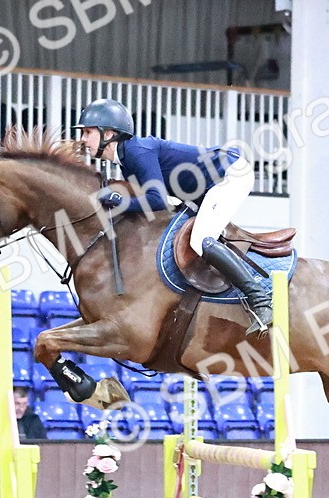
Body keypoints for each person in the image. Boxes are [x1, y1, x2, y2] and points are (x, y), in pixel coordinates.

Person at [73, 98, 271, 335]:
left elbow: (157, 201)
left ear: (110, 133)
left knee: (200, 240)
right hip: (202, 190)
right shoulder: (127, 159)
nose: (82, 139)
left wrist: (119, 201)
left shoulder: (137, 152)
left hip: (229, 175)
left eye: (87, 132)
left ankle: (260, 300)